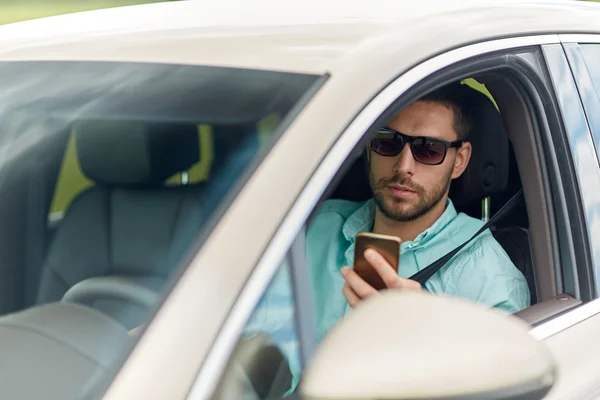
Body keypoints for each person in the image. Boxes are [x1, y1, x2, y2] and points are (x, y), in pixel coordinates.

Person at [244, 82, 530, 390]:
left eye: (428, 149)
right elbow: (241, 344)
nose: (403, 166)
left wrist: (426, 336)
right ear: (369, 146)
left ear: (459, 160)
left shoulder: (490, 278)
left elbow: (501, 391)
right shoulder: (316, 226)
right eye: (387, 141)